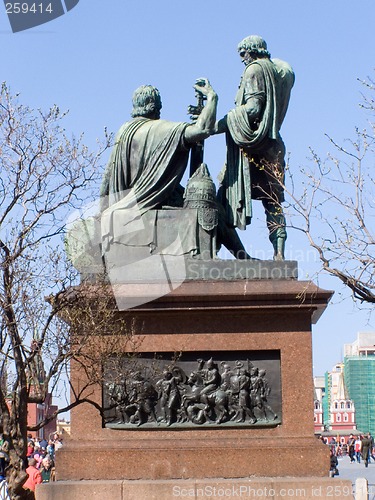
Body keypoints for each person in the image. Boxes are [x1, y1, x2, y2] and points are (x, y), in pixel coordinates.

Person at [100, 79, 249, 259]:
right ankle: (242, 257)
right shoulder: (160, 129)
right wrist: (212, 97)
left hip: (121, 209)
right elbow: (202, 129)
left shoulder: (123, 132)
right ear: (156, 107)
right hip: (149, 206)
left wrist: (103, 213)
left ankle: (242, 257)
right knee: (213, 208)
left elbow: (107, 179)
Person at [215, 35, 295, 260]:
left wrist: (215, 125)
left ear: (253, 50)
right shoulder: (277, 72)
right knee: (273, 201)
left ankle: (232, 255)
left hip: (250, 148)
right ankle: (279, 254)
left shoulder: (254, 71)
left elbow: (252, 109)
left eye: (243, 53)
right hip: (273, 146)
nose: (242, 58)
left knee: (221, 198)